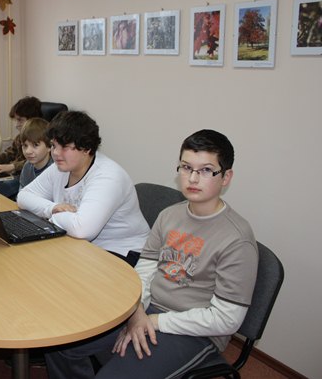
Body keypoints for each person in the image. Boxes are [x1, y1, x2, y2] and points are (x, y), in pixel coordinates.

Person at [44, 129, 259, 379]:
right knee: (61, 344)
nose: (192, 178)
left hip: (196, 333)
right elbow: (145, 270)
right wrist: (137, 312)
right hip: (146, 309)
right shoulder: (169, 215)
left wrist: (155, 322)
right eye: (186, 167)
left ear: (226, 177)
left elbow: (226, 319)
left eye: (206, 170)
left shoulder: (237, 239)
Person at [16, 110, 149, 267]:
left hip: (121, 251)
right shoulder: (61, 167)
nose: (56, 153)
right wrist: (52, 208)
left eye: (64, 147)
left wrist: (52, 217)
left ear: (86, 148)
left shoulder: (108, 176)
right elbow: (23, 196)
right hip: (80, 244)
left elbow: (82, 229)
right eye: (53, 145)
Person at [18, 117, 53, 191]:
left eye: (35, 145)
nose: (28, 151)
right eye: (25, 145)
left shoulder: (55, 171)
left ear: (49, 146)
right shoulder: (27, 166)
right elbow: (22, 194)